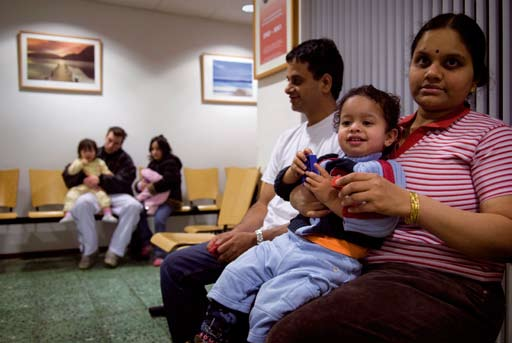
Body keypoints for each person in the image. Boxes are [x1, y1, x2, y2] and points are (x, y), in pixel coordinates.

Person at [266, 13, 512, 343]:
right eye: (422, 60)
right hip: (351, 263)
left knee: (293, 334)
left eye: (452, 63)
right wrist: (303, 196)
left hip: (445, 284)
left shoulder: (491, 136)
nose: (432, 73)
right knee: (253, 304)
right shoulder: (382, 132)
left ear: (474, 79)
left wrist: (408, 204)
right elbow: (326, 180)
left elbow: (506, 235)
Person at [159, 38, 345, 343]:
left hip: (297, 248)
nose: (287, 88)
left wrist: (254, 239)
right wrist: (236, 235)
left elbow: (317, 220)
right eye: (287, 80)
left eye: (296, 80)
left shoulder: (344, 140)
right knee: (175, 267)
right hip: (257, 240)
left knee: (253, 308)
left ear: (325, 83)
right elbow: (262, 203)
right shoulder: (288, 138)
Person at [195, 85, 406, 343]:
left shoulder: (384, 171)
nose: (354, 128)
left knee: (270, 302)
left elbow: (380, 224)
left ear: (389, 136)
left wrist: (329, 198)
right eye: (347, 122)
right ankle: (213, 332)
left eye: (367, 122)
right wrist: (291, 174)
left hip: (331, 257)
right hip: (290, 241)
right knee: (236, 273)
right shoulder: (329, 161)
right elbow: (284, 190)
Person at [62, 126, 143, 270]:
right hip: (93, 193)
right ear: (106, 137)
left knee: (135, 206)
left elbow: (124, 182)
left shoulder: (126, 160)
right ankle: (89, 251)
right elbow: (68, 174)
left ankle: (115, 252)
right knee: (81, 203)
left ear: (121, 143)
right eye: (110, 140)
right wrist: (84, 179)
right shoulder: (92, 151)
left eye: (116, 143)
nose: (111, 145)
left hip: (117, 195)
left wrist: (100, 179)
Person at [134, 134, 183, 267]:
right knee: (136, 210)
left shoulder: (172, 163)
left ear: (164, 149)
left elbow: (168, 182)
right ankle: (148, 242)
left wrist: (150, 187)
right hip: (153, 201)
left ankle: (160, 253)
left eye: (157, 149)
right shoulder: (152, 164)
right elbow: (144, 183)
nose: (154, 152)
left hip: (170, 201)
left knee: (159, 219)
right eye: (152, 149)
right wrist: (140, 185)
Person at [60, 138, 117, 224]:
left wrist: (109, 175)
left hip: (96, 187)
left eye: (91, 151)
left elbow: (106, 172)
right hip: (81, 187)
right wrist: (80, 163)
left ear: (96, 152)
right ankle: (68, 215)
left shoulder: (99, 162)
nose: (88, 153)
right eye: (84, 151)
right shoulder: (78, 161)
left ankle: (107, 214)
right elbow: (71, 171)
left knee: (103, 196)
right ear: (80, 153)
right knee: (71, 194)